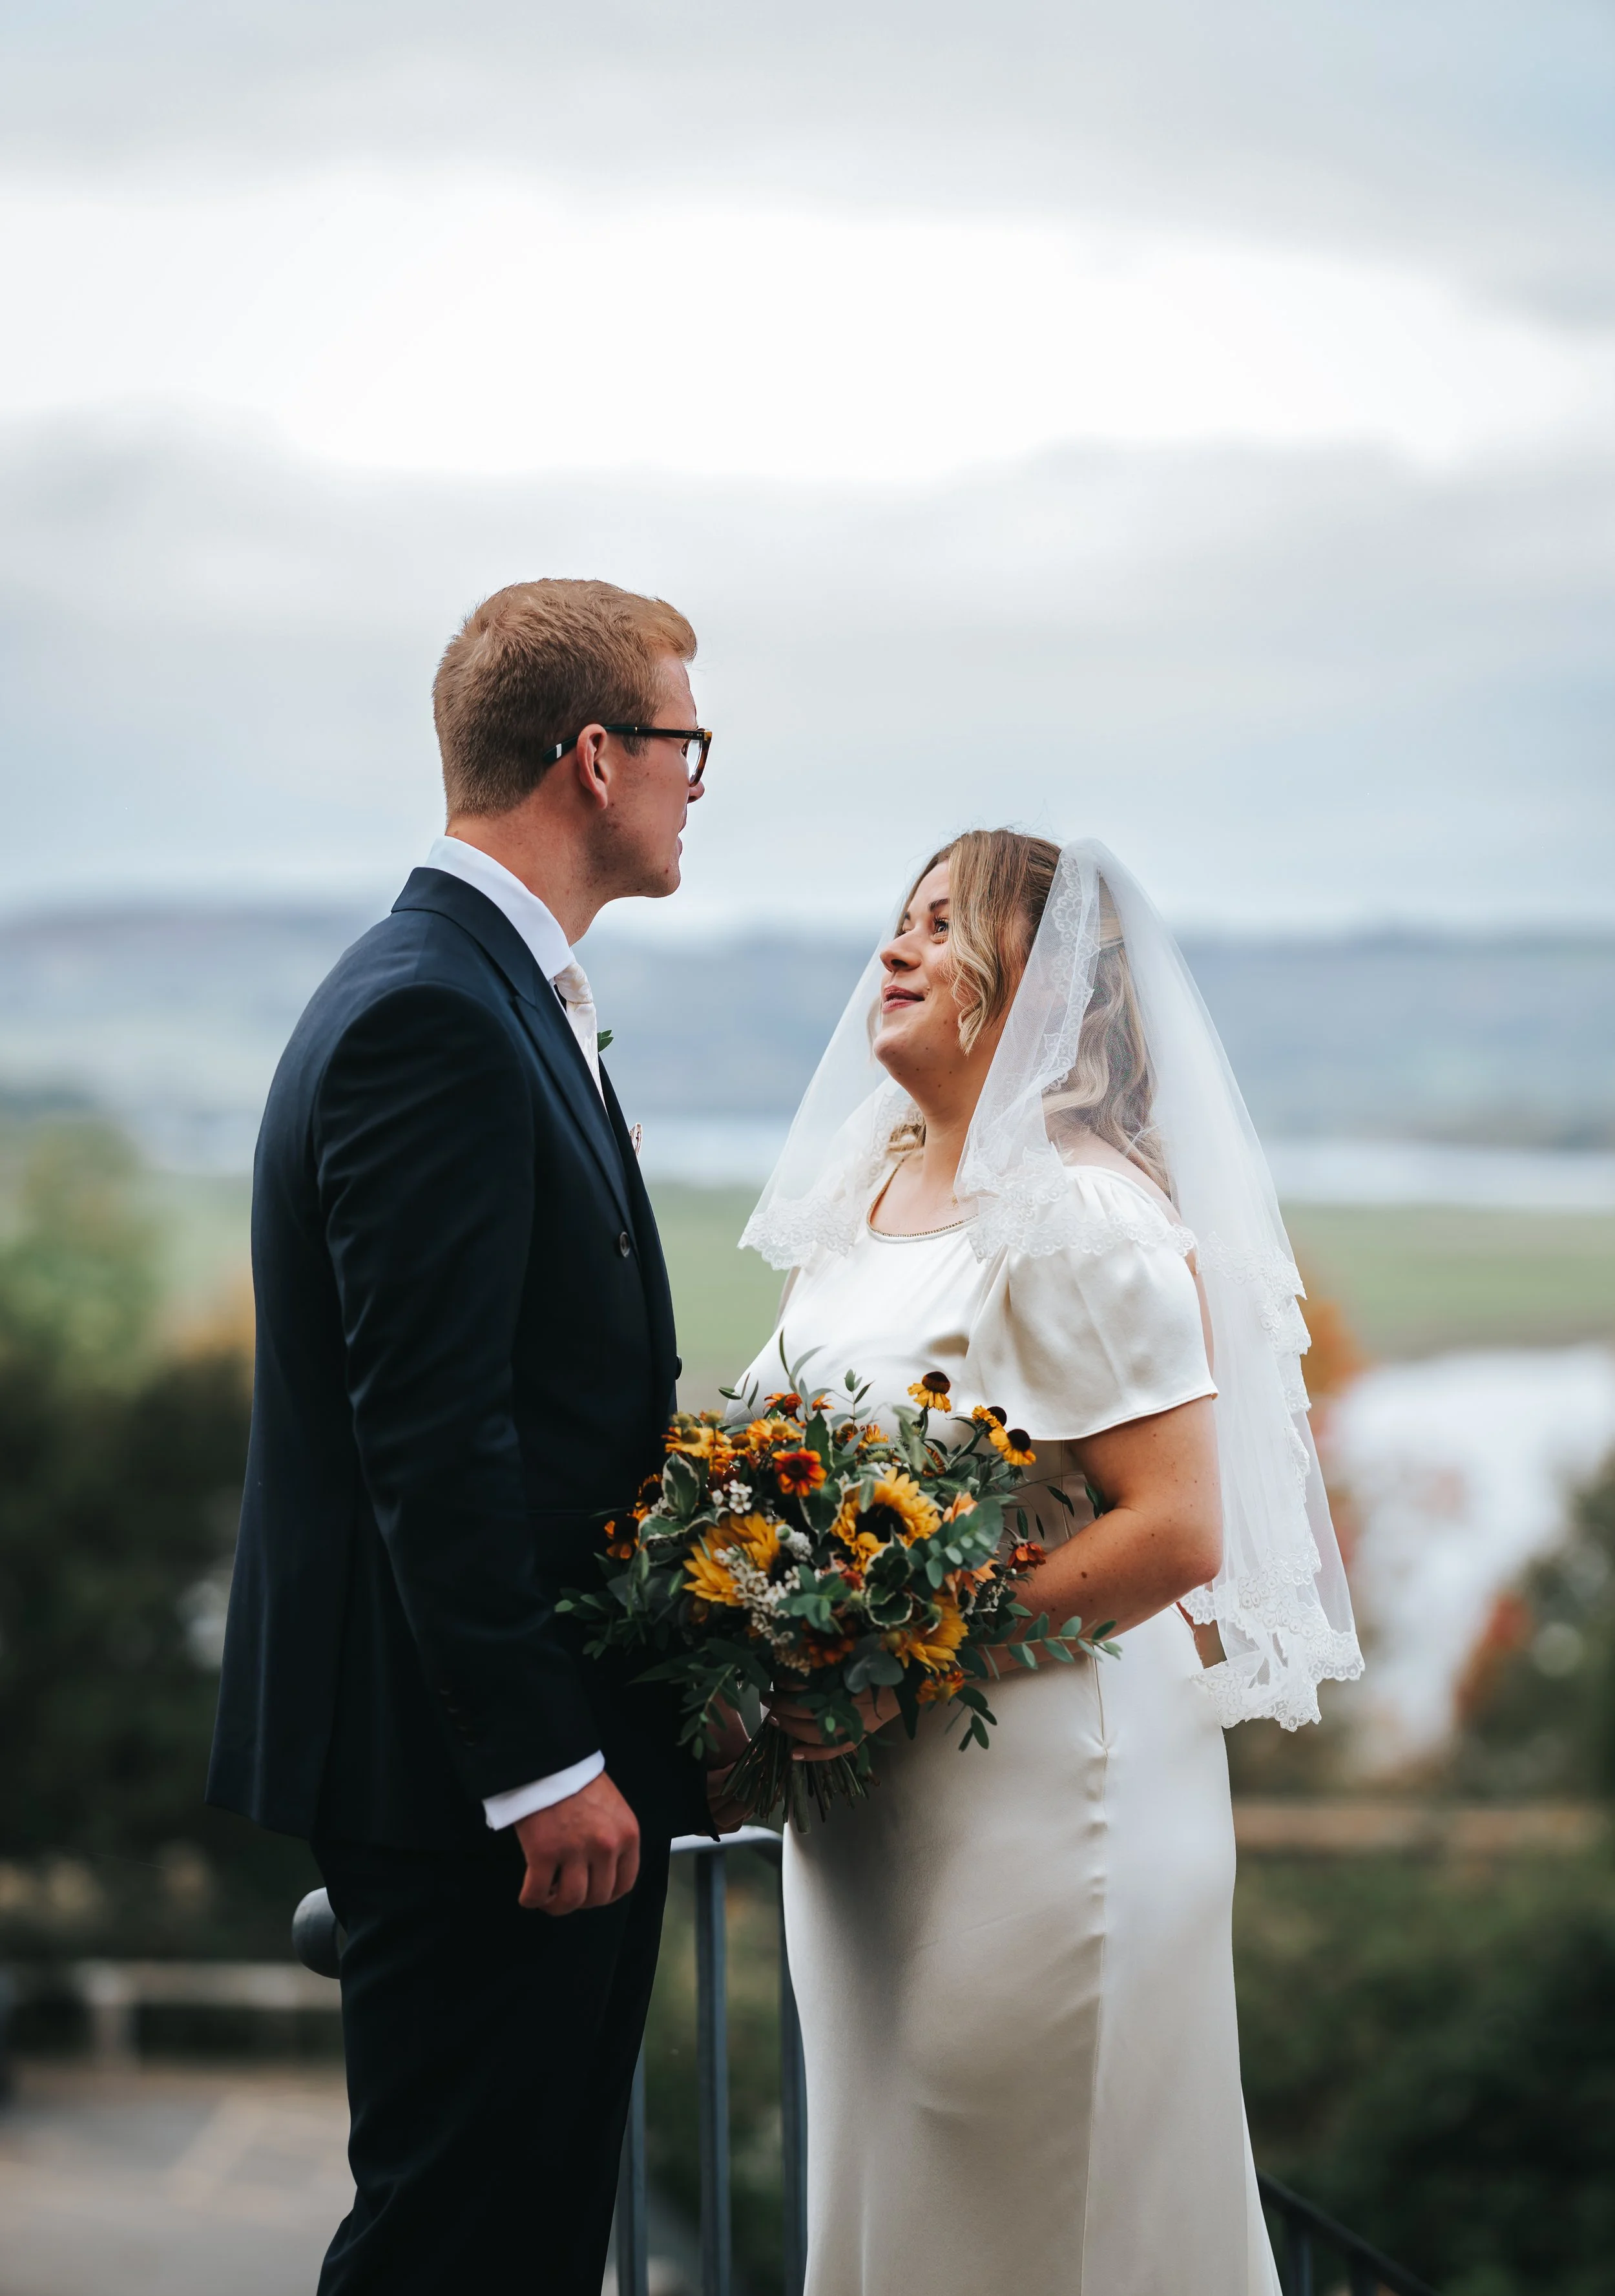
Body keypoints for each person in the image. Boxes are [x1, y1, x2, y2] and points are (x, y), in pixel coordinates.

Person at [736, 830, 1363, 2296]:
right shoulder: (868, 1190)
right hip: (867, 1809)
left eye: (941, 926)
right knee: (897, 2189)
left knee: (1026, 2208)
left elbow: (1172, 1527)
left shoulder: (1079, 1211)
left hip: (1040, 1793)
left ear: (1045, 991)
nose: (890, 952)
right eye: (895, 920)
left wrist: (884, 1661)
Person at [207, 578, 737, 2295]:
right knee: (455, 2246)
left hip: (515, 1772)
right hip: (471, 1790)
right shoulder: (434, 1013)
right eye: (683, 739)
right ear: (595, 756)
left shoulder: (481, 986)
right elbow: (429, 1437)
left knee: (524, 2238)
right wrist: (539, 1765)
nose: (697, 778)